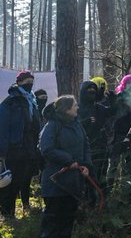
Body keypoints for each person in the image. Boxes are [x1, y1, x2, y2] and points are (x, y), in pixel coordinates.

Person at [38, 95, 93, 238]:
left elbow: (86, 145)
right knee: (52, 224)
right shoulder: (51, 126)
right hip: (55, 185)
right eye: (75, 105)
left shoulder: (77, 124)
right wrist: (69, 161)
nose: (77, 107)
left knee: (67, 223)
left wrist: (86, 165)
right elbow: (47, 149)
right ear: (67, 108)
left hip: (73, 183)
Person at [0, 70, 42, 219]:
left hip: (28, 149)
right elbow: (2, 127)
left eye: (31, 81)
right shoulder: (10, 102)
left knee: (20, 181)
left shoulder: (33, 102)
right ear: (18, 83)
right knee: (8, 182)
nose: (29, 84)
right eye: (26, 81)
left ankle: (10, 212)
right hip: (13, 149)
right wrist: (2, 153)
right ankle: (7, 214)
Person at [78, 80, 114, 182]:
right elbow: (72, 125)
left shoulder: (98, 107)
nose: (92, 91)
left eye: (93, 88)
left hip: (100, 146)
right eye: (89, 89)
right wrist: (85, 122)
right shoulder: (77, 108)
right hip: (83, 148)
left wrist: (112, 99)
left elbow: (112, 111)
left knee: (100, 173)